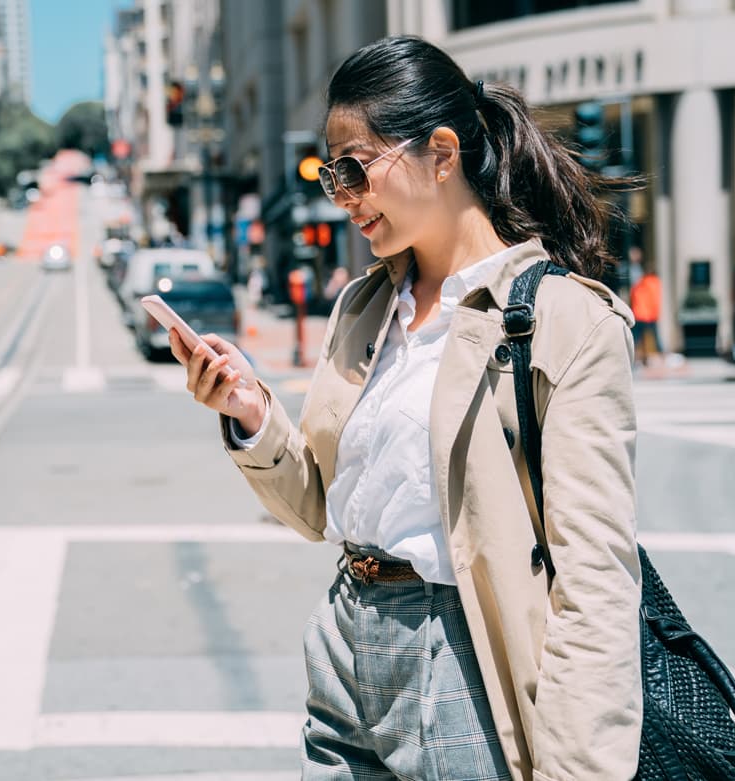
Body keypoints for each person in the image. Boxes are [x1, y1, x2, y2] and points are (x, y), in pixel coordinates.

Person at [169, 36, 641, 781]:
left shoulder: (562, 320)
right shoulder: (365, 307)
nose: (344, 196)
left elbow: (597, 581)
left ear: (443, 152)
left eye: (355, 168)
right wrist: (251, 410)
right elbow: (321, 507)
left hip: (459, 650)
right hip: (346, 637)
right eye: (333, 176)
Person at [629, 248, 663, 365]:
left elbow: (635, 295)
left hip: (641, 314)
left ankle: (636, 357)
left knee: (636, 338)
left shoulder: (643, 282)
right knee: (654, 337)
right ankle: (655, 357)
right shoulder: (656, 282)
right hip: (650, 314)